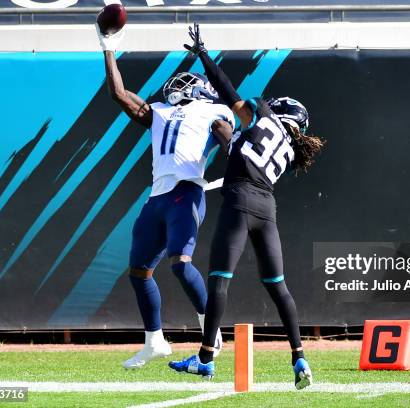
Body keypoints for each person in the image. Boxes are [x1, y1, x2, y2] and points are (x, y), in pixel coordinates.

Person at [169, 24, 325, 390]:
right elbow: (238, 144)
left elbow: (230, 94)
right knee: (278, 287)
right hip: (265, 210)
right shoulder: (288, 150)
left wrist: (205, 55)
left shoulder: (263, 113)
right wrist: (226, 131)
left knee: (220, 281)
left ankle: (206, 359)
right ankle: (300, 357)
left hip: (239, 201)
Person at [96, 25, 233, 369]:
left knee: (181, 267)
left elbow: (228, 137)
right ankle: (154, 341)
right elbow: (119, 94)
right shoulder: (159, 111)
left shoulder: (213, 110)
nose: (180, 86)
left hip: (186, 191)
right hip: (157, 197)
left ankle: (210, 331)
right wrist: (107, 46)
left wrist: (238, 164)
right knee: (139, 272)